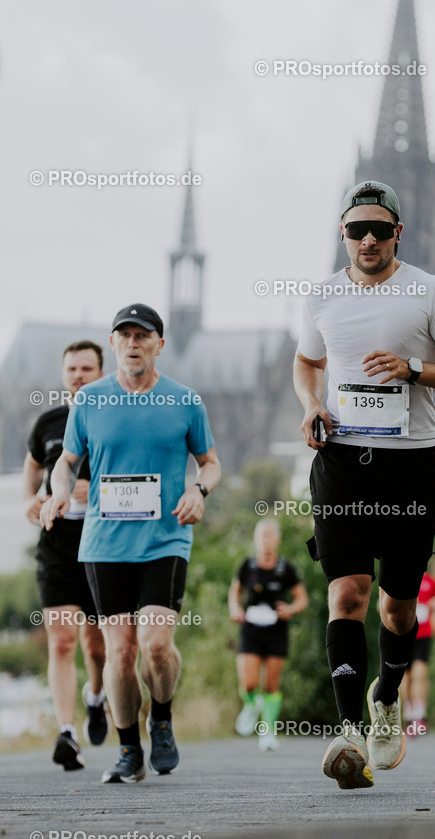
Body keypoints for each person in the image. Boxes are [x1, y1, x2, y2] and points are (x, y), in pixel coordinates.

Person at [294, 180, 435, 789]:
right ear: (343, 234)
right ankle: (350, 733)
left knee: (398, 606)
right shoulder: (322, 295)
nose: (369, 240)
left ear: (398, 232)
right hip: (341, 461)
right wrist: (311, 403)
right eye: (357, 231)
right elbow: (307, 362)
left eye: (380, 230)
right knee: (347, 593)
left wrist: (414, 368)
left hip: (411, 464)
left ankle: (386, 694)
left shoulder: (428, 291)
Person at [41, 303, 220, 784]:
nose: (133, 343)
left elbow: (210, 462)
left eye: (143, 335)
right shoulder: (90, 400)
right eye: (125, 335)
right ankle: (128, 751)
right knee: (120, 651)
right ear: (113, 343)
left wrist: (198, 491)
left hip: (165, 539)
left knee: (156, 646)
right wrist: (59, 493)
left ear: (159, 344)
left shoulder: (184, 400)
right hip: (105, 543)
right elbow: (66, 462)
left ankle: (160, 717)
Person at [23, 340, 108, 771]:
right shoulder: (49, 422)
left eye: (86, 368)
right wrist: (31, 501)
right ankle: (67, 733)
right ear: (63, 374)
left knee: (97, 644)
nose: (78, 375)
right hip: (57, 541)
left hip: (103, 541)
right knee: (61, 639)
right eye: (72, 368)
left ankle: (96, 695)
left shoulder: (115, 418)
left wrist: (97, 491)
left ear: (101, 373)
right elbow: (33, 468)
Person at [228, 519, 309, 751]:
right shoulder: (247, 566)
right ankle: (253, 704)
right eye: (262, 535)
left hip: (277, 631)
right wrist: (235, 609)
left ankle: (268, 732)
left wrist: (291, 609)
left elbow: (302, 598)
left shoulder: (285, 568)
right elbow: (234, 591)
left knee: (271, 685)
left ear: (277, 539)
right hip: (251, 629)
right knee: (249, 683)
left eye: (270, 535)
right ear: (255, 539)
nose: (266, 540)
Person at [400, 569, 435, 737]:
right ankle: (408, 715)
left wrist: (434, 605)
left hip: (424, 634)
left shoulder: (431, 581)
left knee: (420, 673)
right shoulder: (400, 577)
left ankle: (420, 715)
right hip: (402, 634)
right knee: (405, 676)